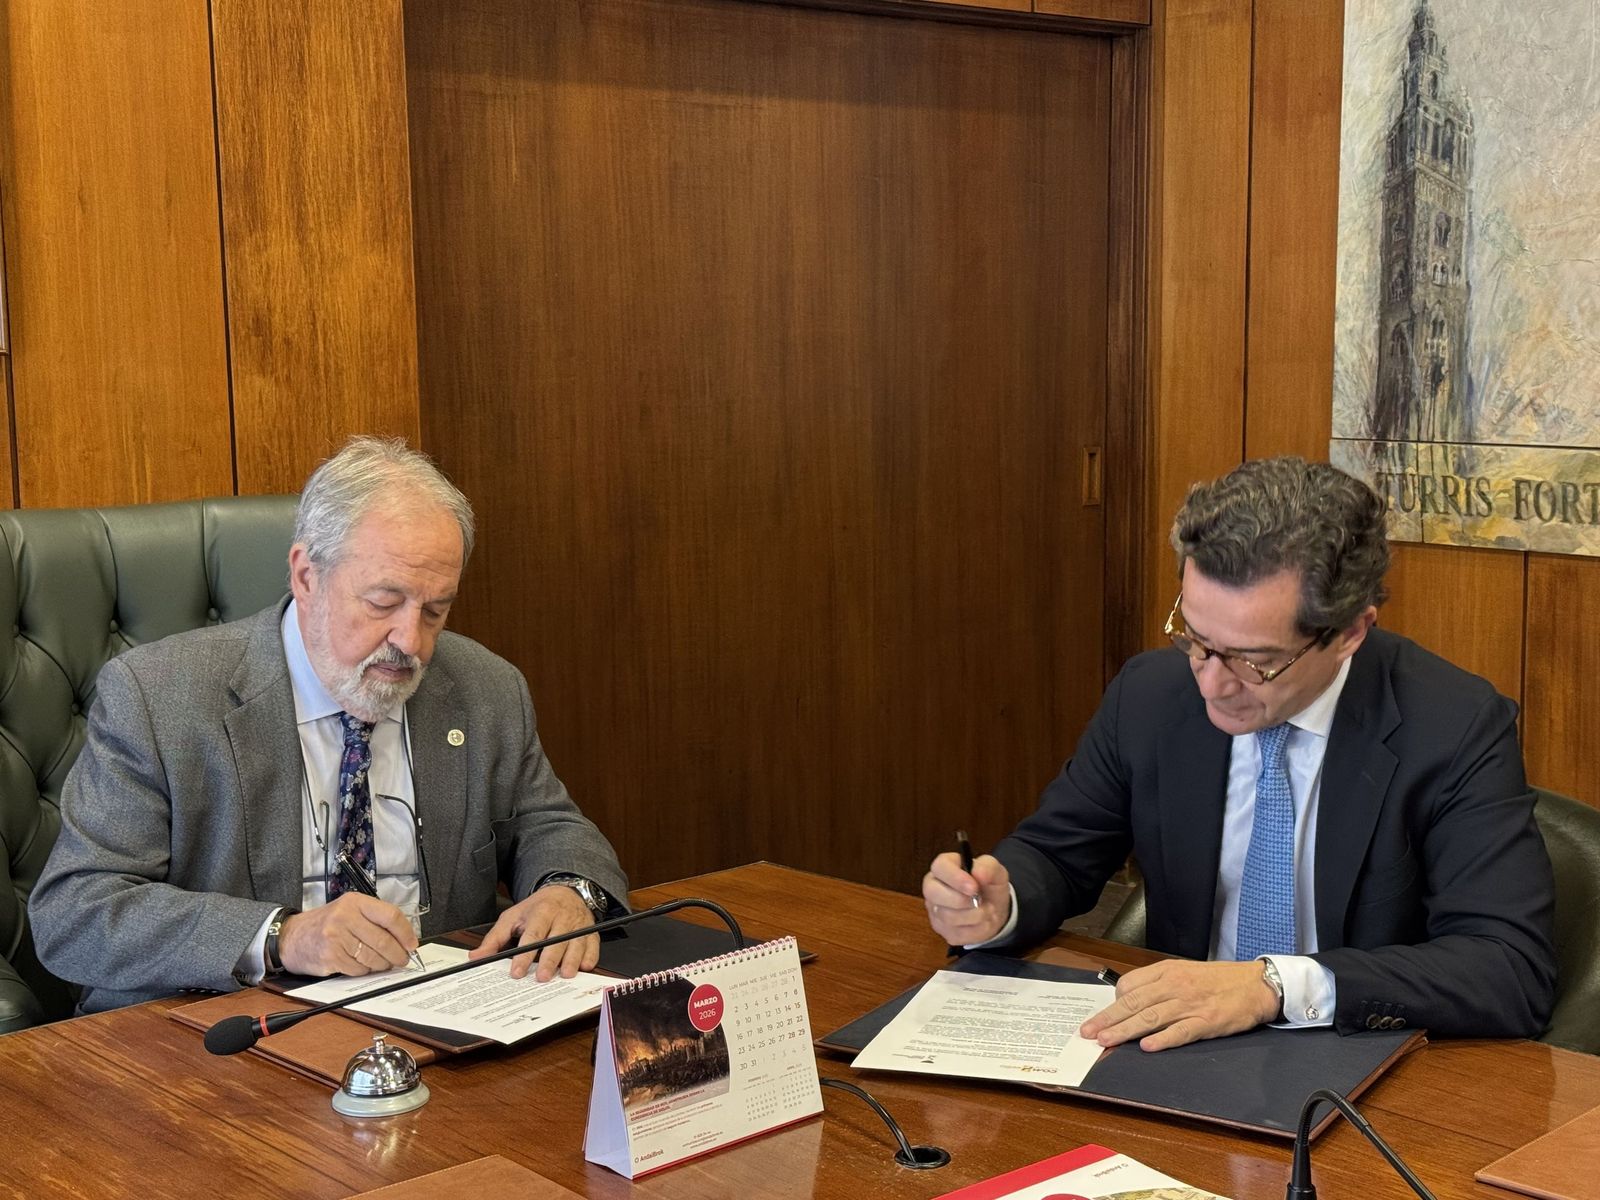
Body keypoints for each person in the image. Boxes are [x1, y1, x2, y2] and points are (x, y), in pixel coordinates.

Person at [923, 456, 1555, 1049]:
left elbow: (1507, 968)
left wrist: (1272, 986)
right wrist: (1000, 903)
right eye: (1196, 639)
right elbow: (1057, 856)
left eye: (1253, 660)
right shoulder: (1151, 694)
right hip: (1173, 1051)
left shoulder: (1452, 725)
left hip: (1354, 1068)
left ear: (1350, 633)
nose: (1211, 681)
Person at [32, 436, 628, 1013]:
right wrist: (280, 937)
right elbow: (77, 912)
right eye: (383, 601)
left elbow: (548, 824)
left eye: (436, 609)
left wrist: (568, 891)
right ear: (306, 576)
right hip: (223, 1033)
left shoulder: (484, 688)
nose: (410, 641)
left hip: (432, 1026)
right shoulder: (156, 696)